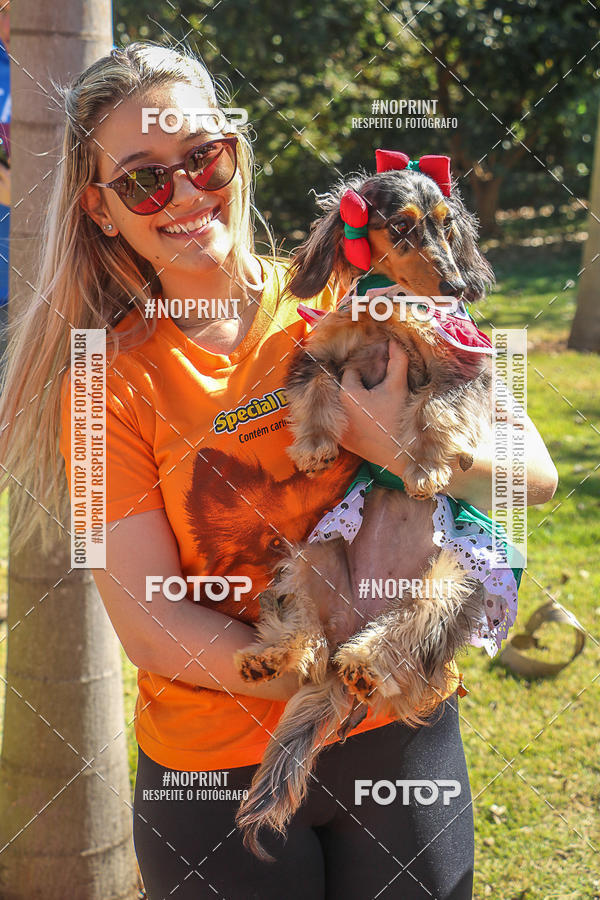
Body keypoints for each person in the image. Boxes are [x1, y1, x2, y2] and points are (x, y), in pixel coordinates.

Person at [0, 42, 558, 899]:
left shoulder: (348, 297)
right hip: (215, 773)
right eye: (145, 180)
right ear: (102, 210)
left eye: (202, 158)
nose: (184, 193)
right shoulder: (94, 381)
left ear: (234, 153)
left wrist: (403, 451)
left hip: (401, 738)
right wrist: (332, 673)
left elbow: (534, 477)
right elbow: (150, 626)